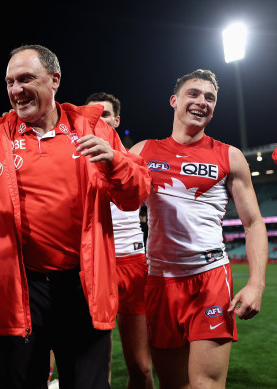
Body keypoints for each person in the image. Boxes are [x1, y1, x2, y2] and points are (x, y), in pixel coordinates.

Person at [0, 44, 151, 389]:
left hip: (83, 286)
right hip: (18, 287)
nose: (15, 90)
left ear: (54, 80)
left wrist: (117, 162)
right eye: (10, 82)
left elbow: (136, 196)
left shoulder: (95, 129)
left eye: (25, 79)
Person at [129, 69, 268, 389]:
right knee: (174, 384)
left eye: (210, 97)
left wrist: (256, 284)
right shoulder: (141, 152)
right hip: (160, 283)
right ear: (174, 101)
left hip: (210, 281)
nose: (202, 101)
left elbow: (253, 223)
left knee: (205, 384)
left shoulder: (229, 156)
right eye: (193, 94)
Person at [86, 92, 154, 389]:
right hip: (98, 266)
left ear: (116, 120)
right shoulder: (79, 164)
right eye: (92, 116)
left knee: (141, 367)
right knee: (98, 363)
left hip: (133, 264)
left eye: (104, 114)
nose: (98, 121)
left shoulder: (135, 161)